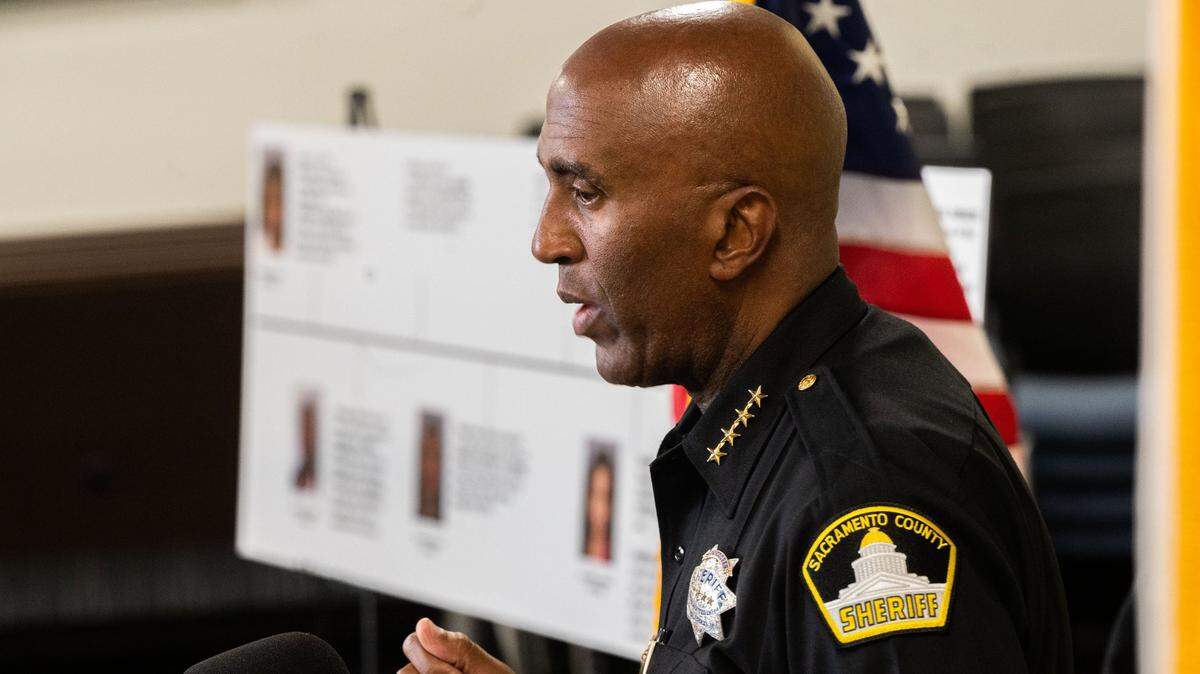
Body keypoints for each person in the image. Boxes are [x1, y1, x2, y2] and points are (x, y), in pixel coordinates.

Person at [398, 2, 1071, 672]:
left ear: (735, 234)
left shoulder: (860, 496)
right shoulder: (771, 408)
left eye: (586, 192)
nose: (546, 241)